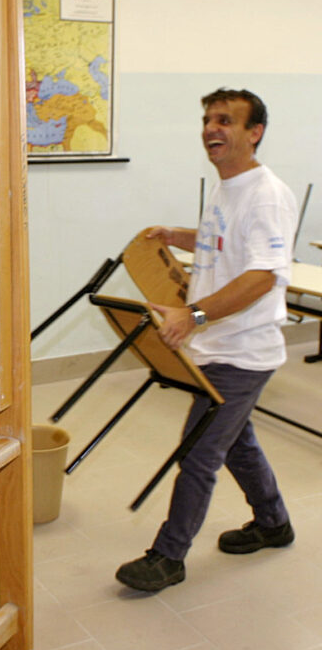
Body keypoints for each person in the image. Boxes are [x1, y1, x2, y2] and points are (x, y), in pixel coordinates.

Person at [116, 87, 298, 592]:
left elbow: (263, 274)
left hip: (243, 351)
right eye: (208, 120)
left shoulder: (266, 194)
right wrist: (179, 235)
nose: (211, 129)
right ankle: (273, 522)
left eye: (226, 121)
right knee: (236, 443)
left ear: (254, 133)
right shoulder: (228, 185)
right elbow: (225, 239)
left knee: (198, 452)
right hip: (219, 345)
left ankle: (167, 557)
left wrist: (192, 314)